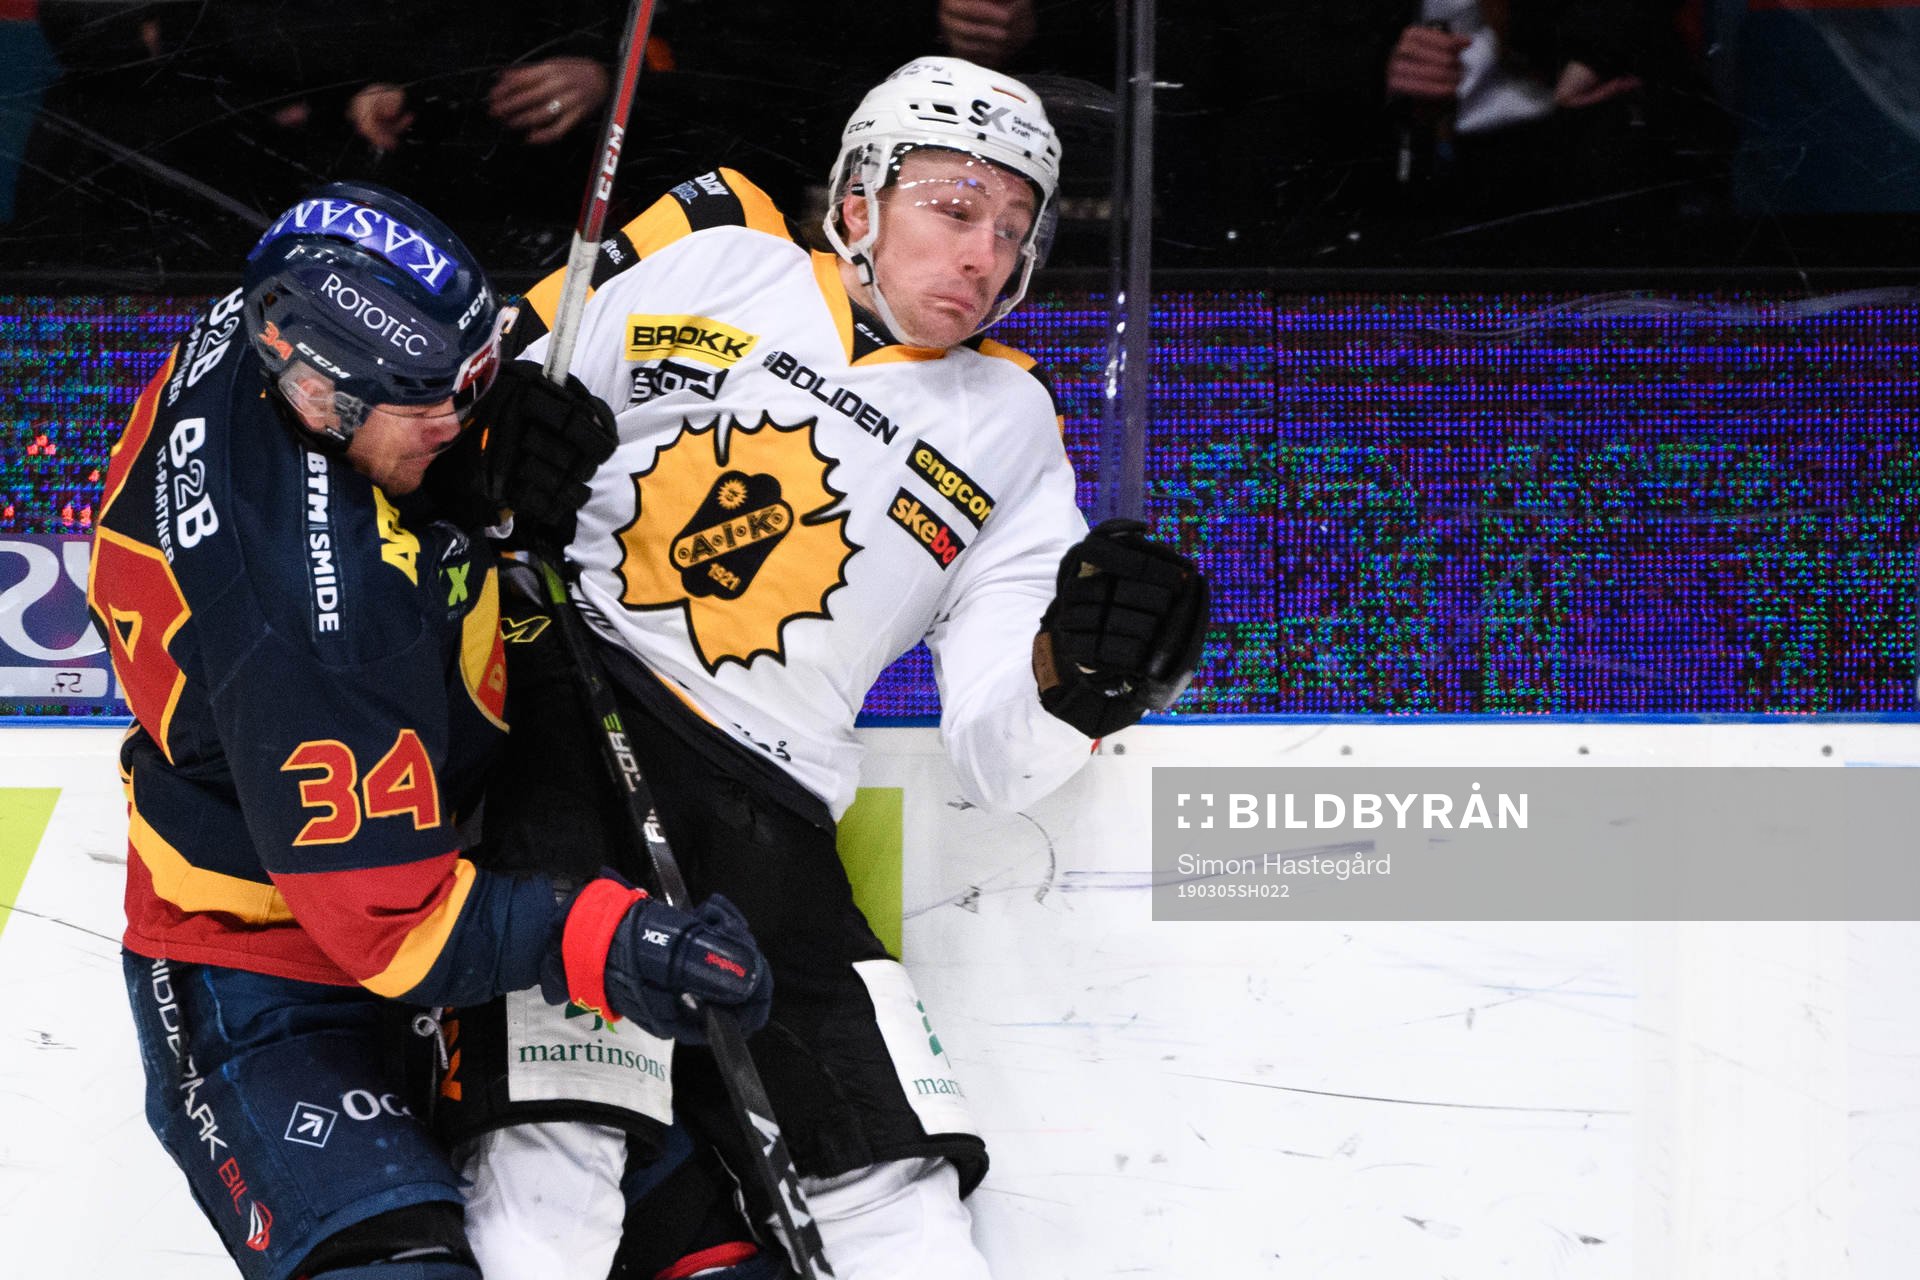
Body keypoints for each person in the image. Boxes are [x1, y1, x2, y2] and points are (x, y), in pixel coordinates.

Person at [444, 56, 1210, 1279]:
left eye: (1015, 229)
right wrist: (488, 458)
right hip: (568, 717)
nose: (985, 256)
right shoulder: (715, 241)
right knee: (553, 1163)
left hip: (776, 817)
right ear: (857, 199)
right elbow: (459, 407)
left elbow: (1002, 753)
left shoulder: (1014, 429)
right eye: (954, 209)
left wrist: (1086, 682)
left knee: (900, 1203)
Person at [85, 180, 774, 1280]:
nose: (452, 417)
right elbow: (397, 934)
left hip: (435, 885)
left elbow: (422, 425)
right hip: (267, 972)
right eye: (427, 404)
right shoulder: (321, 620)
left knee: (718, 1258)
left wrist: (478, 454)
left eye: (466, 381)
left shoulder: (265, 314)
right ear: (316, 394)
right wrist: (624, 941)